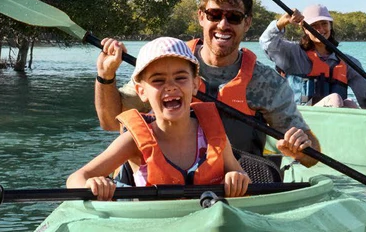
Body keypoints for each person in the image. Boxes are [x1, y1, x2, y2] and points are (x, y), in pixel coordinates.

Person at [93, 0, 318, 168]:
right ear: (201, 17)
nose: (223, 24)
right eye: (214, 14)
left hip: (239, 189)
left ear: (247, 22)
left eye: (234, 17)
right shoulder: (165, 64)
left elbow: (312, 156)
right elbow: (111, 122)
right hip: (168, 189)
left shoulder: (267, 83)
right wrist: (105, 76)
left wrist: (299, 149)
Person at [67, 38, 251, 200]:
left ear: (195, 84)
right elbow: (76, 178)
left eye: (180, 78)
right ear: (141, 91)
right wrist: (91, 185)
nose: (170, 86)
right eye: (158, 80)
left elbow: (240, 174)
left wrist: (237, 178)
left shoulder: (214, 134)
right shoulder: (132, 142)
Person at [260, 4, 366, 109]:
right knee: (335, 99)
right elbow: (266, 42)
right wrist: (281, 23)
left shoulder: (348, 62)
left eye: (324, 24)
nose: (320, 29)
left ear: (330, 26)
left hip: (329, 120)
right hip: (297, 118)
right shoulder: (292, 53)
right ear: (305, 29)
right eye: (314, 25)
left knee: (350, 104)